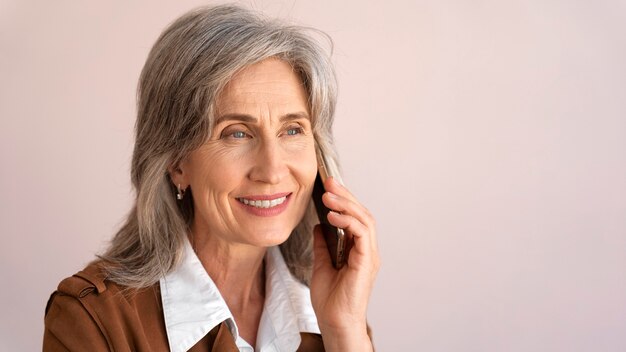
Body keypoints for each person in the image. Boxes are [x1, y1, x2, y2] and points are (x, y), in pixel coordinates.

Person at [43, 4, 379, 351]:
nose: (273, 170)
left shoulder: (331, 312)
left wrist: (345, 331)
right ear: (176, 162)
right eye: (237, 134)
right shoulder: (93, 320)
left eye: (293, 130)